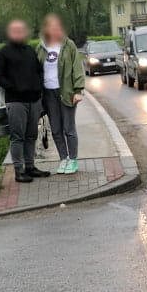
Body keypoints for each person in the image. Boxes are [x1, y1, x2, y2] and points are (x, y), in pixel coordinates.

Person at [0, 20, 50, 183]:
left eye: (21, 31)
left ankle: (30, 167)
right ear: (10, 33)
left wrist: (38, 89)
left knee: (32, 135)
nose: (19, 34)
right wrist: (14, 87)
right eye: (15, 31)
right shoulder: (4, 52)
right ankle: (19, 171)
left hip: (33, 101)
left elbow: (40, 71)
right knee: (18, 136)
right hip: (16, 101)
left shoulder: (30, 51)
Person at [37, 15, 85, 175]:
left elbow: (77, 67)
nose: (54, 29)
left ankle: (73, 159)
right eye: (51, 27)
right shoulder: (41, 48)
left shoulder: (68, 45)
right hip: (48, 94)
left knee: (68, 128)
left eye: (57, 26)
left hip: (66, 92)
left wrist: (78, 90)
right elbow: (36, 70)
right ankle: (63, 158)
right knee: (56, 129)